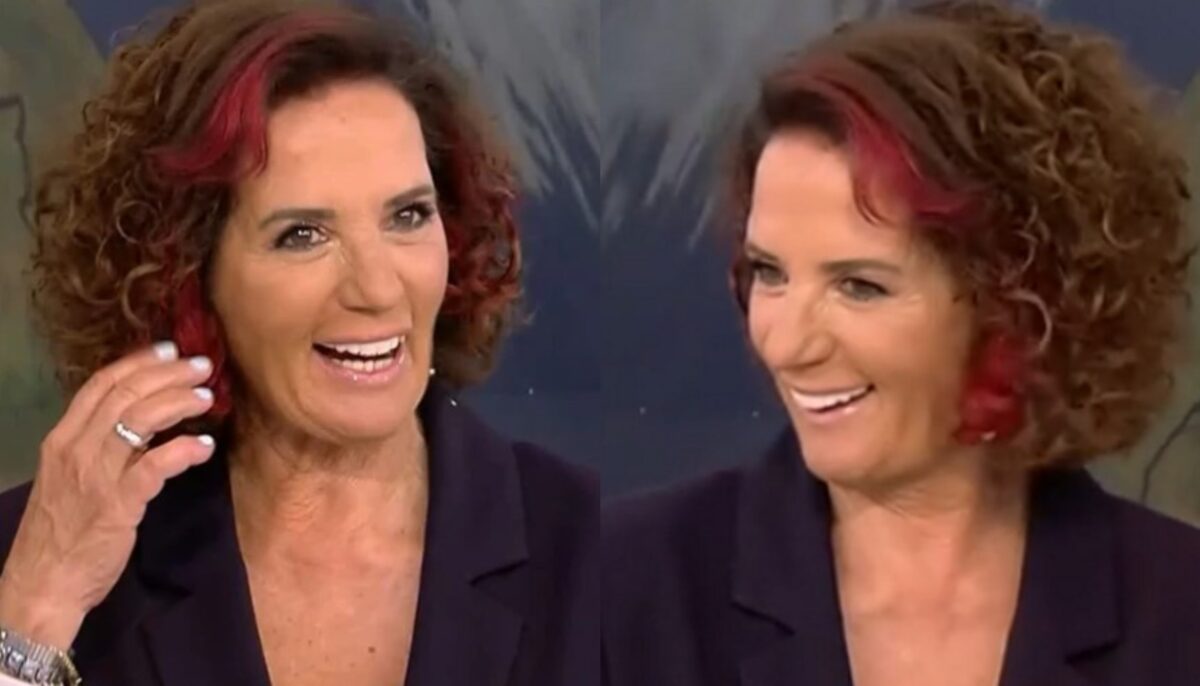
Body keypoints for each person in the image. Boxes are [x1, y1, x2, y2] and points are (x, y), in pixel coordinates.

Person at [603, 2, 1200, 685]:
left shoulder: (1179, 614)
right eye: (769, 272)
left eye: (859, 286)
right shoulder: (626, 591)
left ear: (1018, 303)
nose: (786, 345)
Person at [0, 1, 596, 684]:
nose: (378, 290)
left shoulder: (586, 546)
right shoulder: (39, 558)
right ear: (186, 272)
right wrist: (33, 620)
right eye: (303, 235)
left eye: (408, 216)